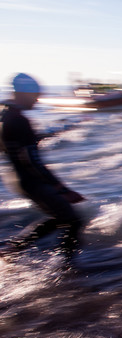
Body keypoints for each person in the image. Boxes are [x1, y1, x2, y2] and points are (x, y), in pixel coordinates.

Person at [0, 73, 85, 258]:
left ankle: (11, 249)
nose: (37, 100)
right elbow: (32, 160)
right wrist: (62, 189)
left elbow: (10, 147)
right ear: (23, 93)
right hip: (30, 179)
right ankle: (68, 269)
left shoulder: (5, 114)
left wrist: (40, 137)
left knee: (61, 217)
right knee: (73, 220)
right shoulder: (19, 120)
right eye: (35, 95)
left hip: (15, 177)